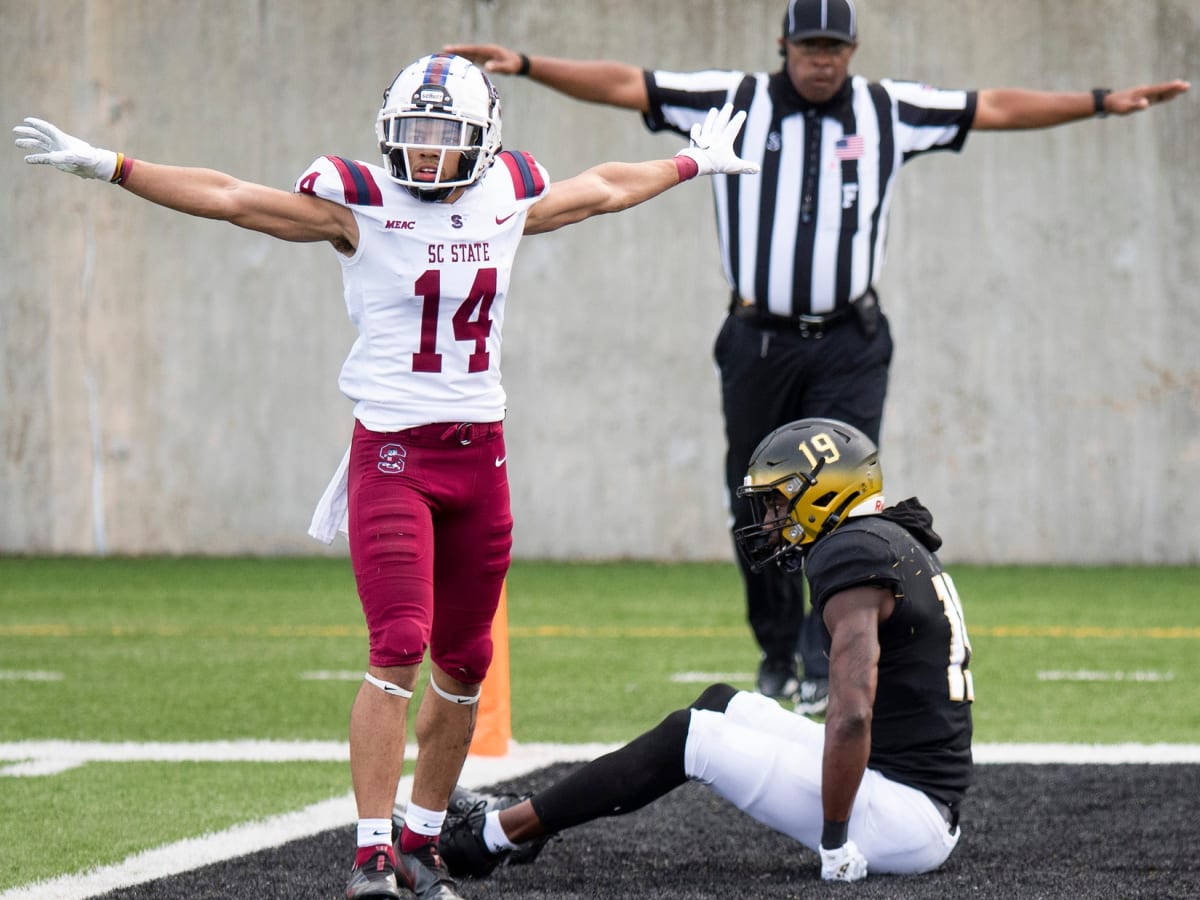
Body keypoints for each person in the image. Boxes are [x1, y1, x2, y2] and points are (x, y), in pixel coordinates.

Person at [13, 54, 756, 900]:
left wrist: (692, 161)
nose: (427, 156)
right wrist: (114, 166)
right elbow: (229, 196)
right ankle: (371, 852)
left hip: (481, 454)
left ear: (483, 142)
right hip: (396, 455)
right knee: (399, 640)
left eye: (446, 139)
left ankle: (422, 840)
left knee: (468, 659)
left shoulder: (506, 195)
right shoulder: (357, 206)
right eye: (415, 137)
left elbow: (603, 187)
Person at [444, 0, 1191, 713]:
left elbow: (989, 107)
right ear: (784, 48)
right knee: (758, 498)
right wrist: (526, 61)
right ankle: (777, 652)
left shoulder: (888, 109)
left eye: (835, 50)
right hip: (758, 339)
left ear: (853, 54)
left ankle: (820, 652)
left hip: (850, 341)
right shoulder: (730, 100)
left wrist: (1100, 101)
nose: (821, 63)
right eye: (809, 48)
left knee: (842, 496)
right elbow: (625, 84)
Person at [423, 417, 972, 885]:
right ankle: (524, 822)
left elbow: (852, 714)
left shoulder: (850, 553)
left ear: (820, 495)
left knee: (691, 738)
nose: (770, 521)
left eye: (779, 503)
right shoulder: (886, 538)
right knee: (720, 703)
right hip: (907, 794)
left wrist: (835, 843)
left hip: (903, 813)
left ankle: (493, 837)